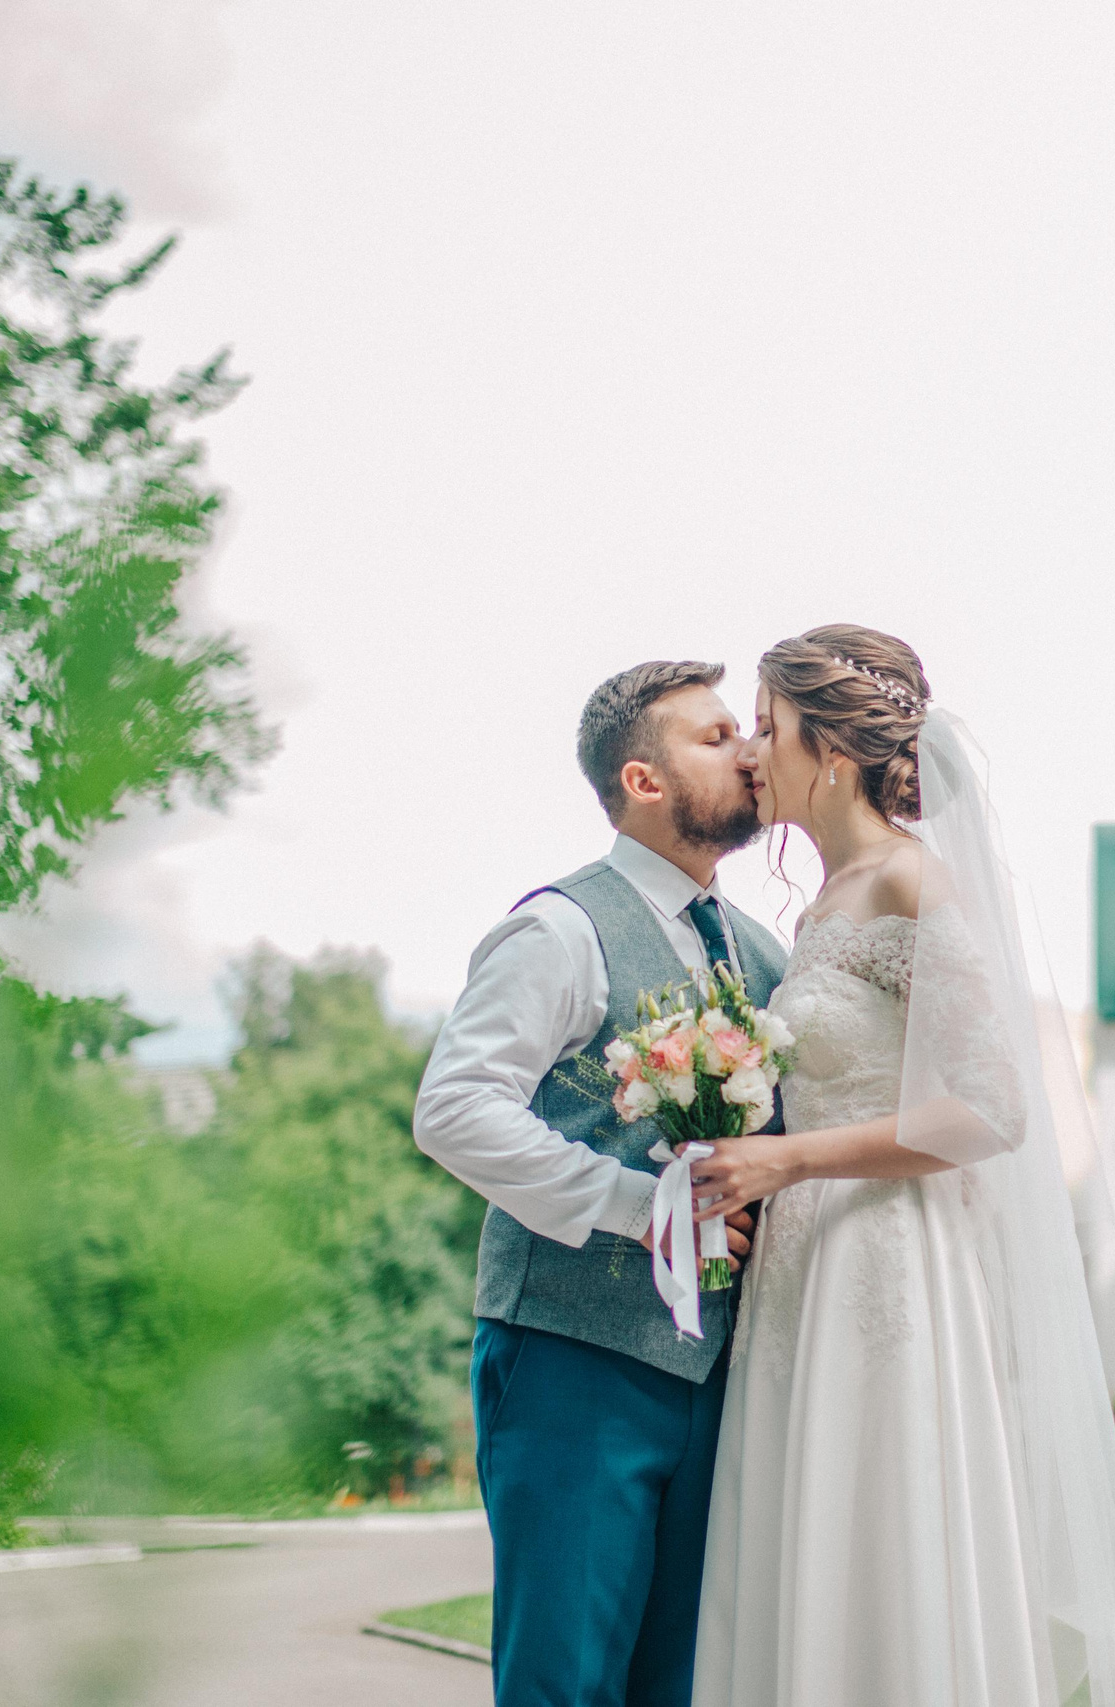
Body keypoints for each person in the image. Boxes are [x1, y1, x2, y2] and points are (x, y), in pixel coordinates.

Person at [687, 624, 1115, 1707]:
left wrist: (791, 1159)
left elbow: (991, 1110)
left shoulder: (911, 880)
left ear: (833, 753)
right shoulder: (819, 905)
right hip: (804, 1273)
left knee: (889, 1523)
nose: (753, 752)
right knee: (811, 1531)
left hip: (888, 1258)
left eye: (769, 728)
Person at [412, 660, 785, 1707]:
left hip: (718, 1377)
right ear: (644, 781)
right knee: (563, 1683)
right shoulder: (560, 929)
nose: (748, 752)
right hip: (575, 1359)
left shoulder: (760, 954)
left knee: (682, 1683)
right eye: (715, 737)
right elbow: (453, 1109)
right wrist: (642, 1212)